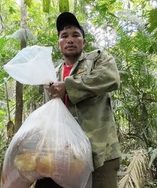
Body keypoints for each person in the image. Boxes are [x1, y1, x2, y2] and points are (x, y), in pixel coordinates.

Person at [35, 12, 121, 188]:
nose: (70, 40)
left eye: (76, 35)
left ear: (84, 41)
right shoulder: (52, 73)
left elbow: (111, 78)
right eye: (64, 36)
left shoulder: (97, 59)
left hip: (100, 152)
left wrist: (68, 86)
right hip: (64, 155)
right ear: (59, 43)